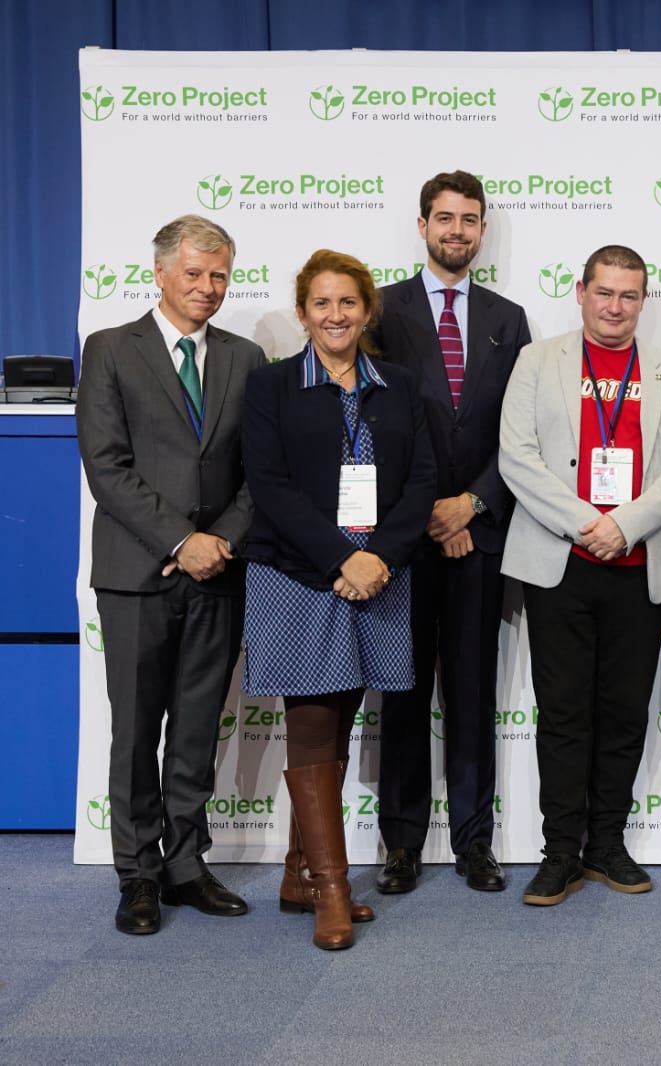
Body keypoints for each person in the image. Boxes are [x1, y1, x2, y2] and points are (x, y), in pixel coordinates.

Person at [239, 250, 435, 950]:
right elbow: (269, 484)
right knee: (314, 725)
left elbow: (422, 481)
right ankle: (332, 889)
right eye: (321, 303)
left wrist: (378, 557)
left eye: (348, 303)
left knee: (343, 718)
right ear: (301, 313)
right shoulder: (270, 387)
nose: (335, 315)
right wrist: (341, 558)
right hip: (299, 575)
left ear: (366, 310)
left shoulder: (400, 386)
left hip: (378, 575)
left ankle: (300, 875)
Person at [500, 245, 661, 907]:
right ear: (581, 291)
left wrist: (628, 524)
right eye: (605, 293)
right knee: (563, 714)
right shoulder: (538, 360)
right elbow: (516, 456)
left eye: (629, 296)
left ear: (643, 300)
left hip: (640, 565)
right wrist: (589, 521)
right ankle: (559, 852)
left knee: (623, 713)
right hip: (560, 562)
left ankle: (606, 845)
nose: (616, 307)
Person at [78, 215, 264, 935]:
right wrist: (180, 539)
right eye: (193, 274)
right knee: (135, 733)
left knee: (195, 730)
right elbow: (107, 466)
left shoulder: (247, 359)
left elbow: (259, 473)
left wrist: (217, 542)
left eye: (219, 275)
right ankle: (139, 876)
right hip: (136, 575)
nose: (208, 288)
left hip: (218, 572)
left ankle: (186, 864)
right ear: (159, 273)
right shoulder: (110, 350)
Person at [372, 171, 532, 895]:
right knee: (403, 693)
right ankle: (401, 843)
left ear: (483, 230)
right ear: (422, 224)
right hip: (403, 540)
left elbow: (520, 433)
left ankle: (473, 841)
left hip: (482, 536)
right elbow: (376, 423)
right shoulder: (381, 310)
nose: (457, 230)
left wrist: (471, 503)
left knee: (472, 694)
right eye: (445, 218)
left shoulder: (509, 317)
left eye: (470, 219)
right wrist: (431, 509)